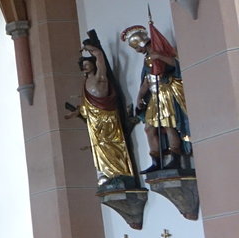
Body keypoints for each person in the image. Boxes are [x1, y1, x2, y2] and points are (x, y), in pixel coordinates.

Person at [64, 37, 137, 187]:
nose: (85, 67)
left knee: (112, 143)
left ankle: (121, 172)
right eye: (83, 65)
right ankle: (110, 174)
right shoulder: (85, 84)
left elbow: (100, 58)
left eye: (87, 64)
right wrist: (75, 112)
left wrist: (91, 48)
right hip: (94, 121)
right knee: (100, 147)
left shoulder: (100, 76)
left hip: (107, 116)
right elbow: (85, 106)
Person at [121, 22, 191, 172]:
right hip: (154, 95)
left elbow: (175, 64)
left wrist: (159, 56)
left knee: (168, 126)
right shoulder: (147, 58)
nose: (137, 51)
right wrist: (139, 96)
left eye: (137, 47)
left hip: (165, 92)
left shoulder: (160, 51)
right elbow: (147, 80)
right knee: (149, 129)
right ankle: (156, 162)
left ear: (141, 42)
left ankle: (175, 158)